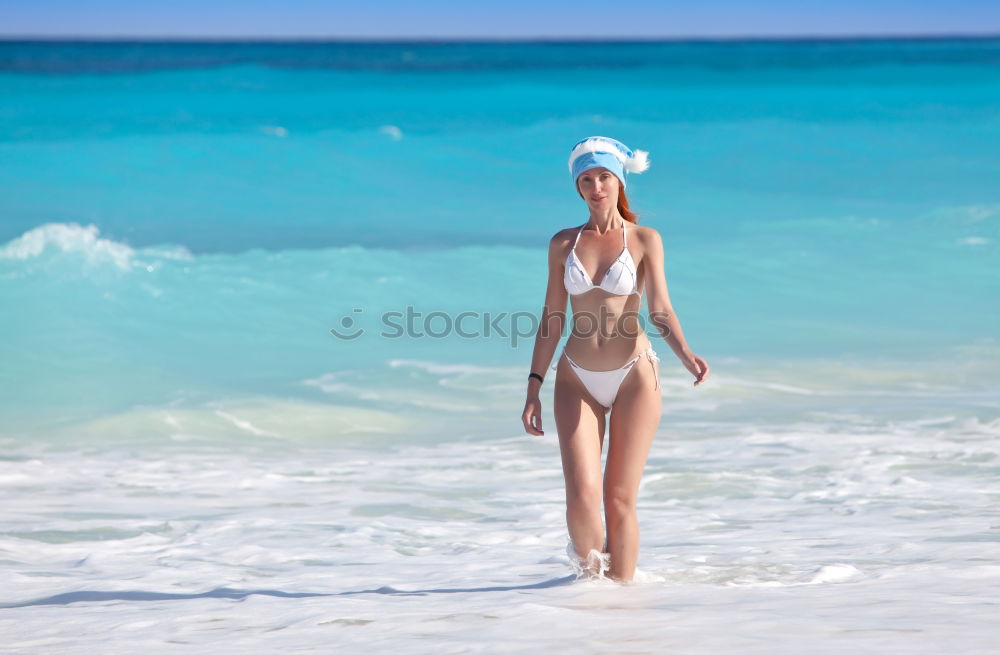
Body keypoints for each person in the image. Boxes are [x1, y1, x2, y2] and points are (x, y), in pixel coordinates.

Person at [521, 136, 710, 583]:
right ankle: (590, 594)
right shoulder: (563, 243)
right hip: (576, 377)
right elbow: (552, 318)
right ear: (578, 187)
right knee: (581, 499)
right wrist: (533, 387)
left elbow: (660, 308)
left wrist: (685, 353)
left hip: (633, 376)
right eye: (586, 179)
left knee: (619, 498)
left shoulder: (644, 239)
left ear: (619, 180)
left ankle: (623, 601)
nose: (595, 186)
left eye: (604, 176)